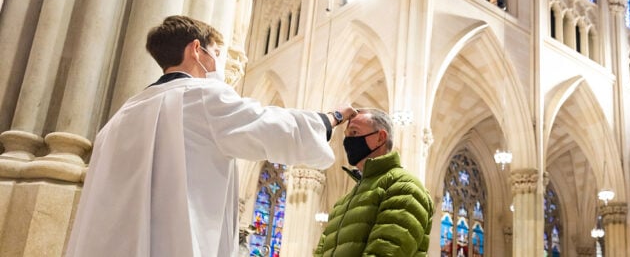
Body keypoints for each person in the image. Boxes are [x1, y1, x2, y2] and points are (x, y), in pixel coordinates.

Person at [65, 15, 357, 257]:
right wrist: (332, 118)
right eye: (215, 54)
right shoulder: (200, 97)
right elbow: (271, 126)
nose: (217, 65)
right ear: (196, 50)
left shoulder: (119, 118)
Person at [314, 108, 434, 257]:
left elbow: (386, 251)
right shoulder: (342, 204)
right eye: (346, 135)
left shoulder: (405, 187)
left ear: (380, 137)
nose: (347, 141)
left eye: (354, 133)